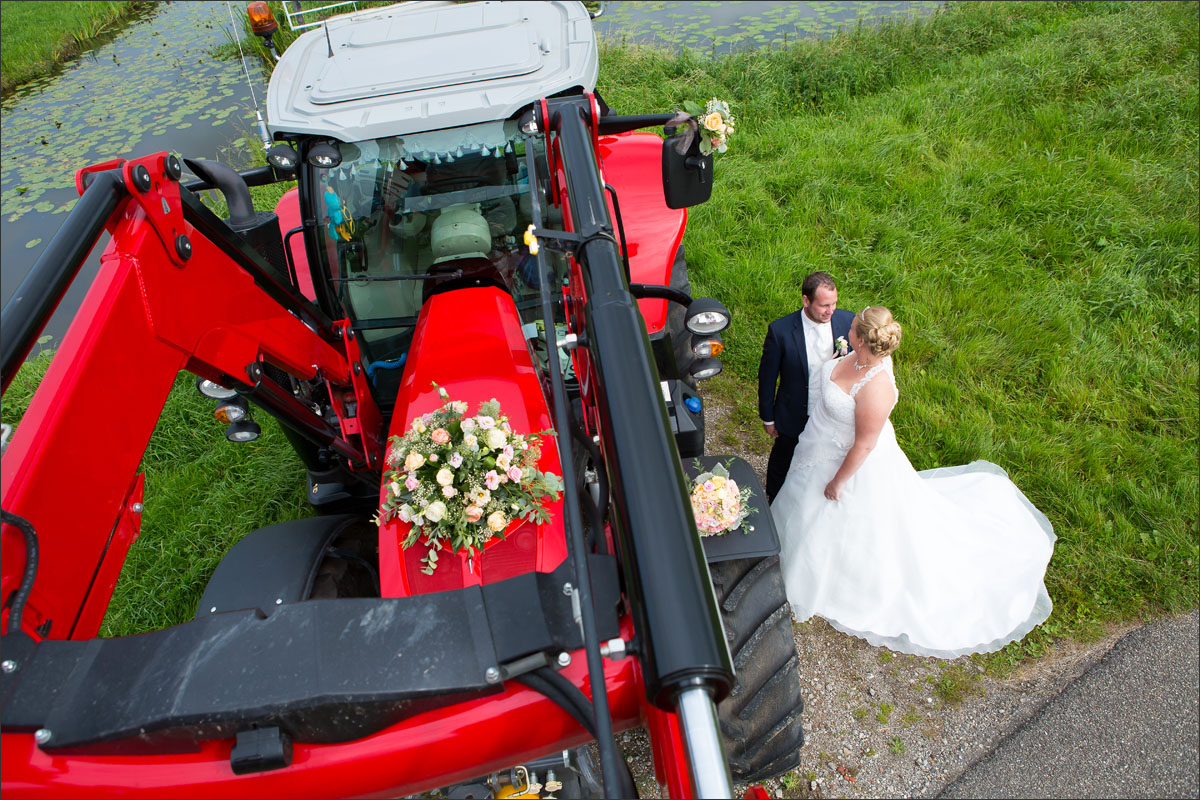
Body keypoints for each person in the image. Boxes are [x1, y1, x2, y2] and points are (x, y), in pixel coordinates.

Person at [772, 306, 1055, 657]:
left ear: (859, 337)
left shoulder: (876, 388)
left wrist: (838, 482)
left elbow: (864, 444)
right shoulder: (857, 356)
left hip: (846, 465)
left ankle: (828, 580)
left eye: (852, 328)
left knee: (837, 521)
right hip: (818, 445)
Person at [758, 272, 855, 503]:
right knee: (784, 457)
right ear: (806, 300)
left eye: (834, 303)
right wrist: (768, 418)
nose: (830, 311)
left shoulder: (847, 321)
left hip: (831, 413)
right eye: (823, 305)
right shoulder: (780, 332)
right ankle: (773, 498)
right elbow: (767, 378)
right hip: (795, 411)